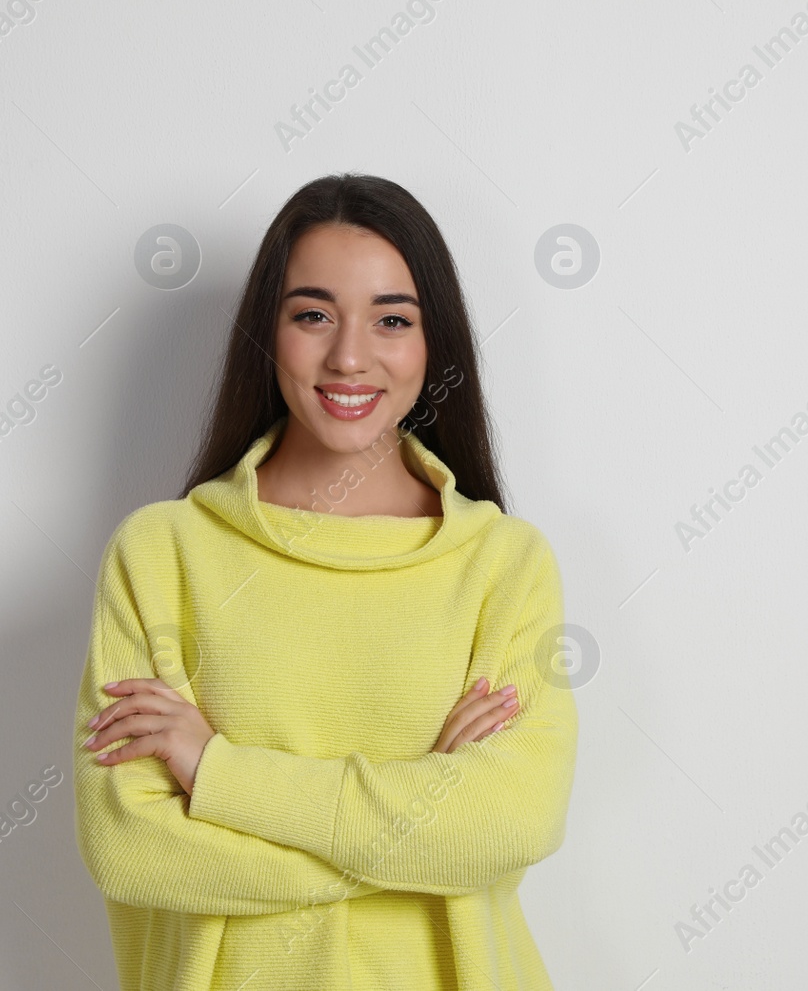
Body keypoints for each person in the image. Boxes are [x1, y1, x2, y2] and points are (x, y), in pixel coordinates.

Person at [72, 172, 578, 989]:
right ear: (266, 334)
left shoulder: (504, 565)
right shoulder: (161, 555)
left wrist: (219, 774)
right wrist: (419, 829)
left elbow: (513, 819)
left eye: (392, 319)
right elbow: (132, 850)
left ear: (432, 342)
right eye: (313, 314)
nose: (349, 354)